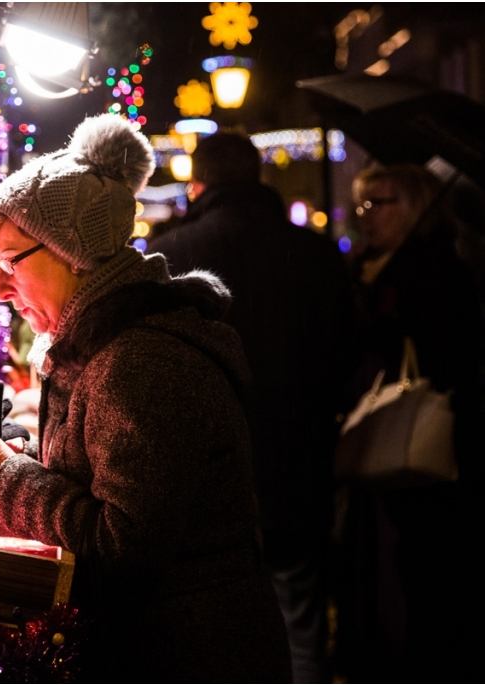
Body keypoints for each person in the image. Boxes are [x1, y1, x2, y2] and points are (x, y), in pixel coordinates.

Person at [0, 114, 291, 682]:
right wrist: (24, 457)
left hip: (192, 654)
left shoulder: (139, 361)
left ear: (73, 253)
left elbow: (125, 546)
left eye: (11, 263)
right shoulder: (100, 346)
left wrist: (10, 480)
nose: (1, 290)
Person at [148, 133, 355, 683]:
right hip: (300, 456)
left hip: (206, 469)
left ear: (198, 183)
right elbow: (344, 356)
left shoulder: (175, 253)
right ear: (258, 178)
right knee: (301, 619)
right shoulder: (314, 253)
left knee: (216, 632)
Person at [336, 164, 485, 682]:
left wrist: (385, 302)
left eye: (382, 203)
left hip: (426, 435)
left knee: (427, 567)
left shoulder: (435, 267)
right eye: (364, 204)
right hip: (387, 433)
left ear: (417, 206)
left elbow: (444, 349)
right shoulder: (376, 265)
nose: (369, 216)